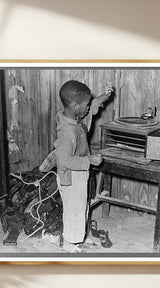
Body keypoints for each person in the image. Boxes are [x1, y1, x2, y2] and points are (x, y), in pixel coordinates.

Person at [54, 79, 113, 253]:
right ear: (75, 105)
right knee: (73, 211)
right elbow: (63, 160)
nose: (89, 107)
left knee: (82, 208)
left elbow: (94, 105)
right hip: (71, 178)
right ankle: (69, 244)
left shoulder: (75, 117)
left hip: (79, 174)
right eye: (86, 105)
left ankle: (78, 237)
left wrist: (105, 95)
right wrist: (89, 160)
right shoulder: (67, 132)